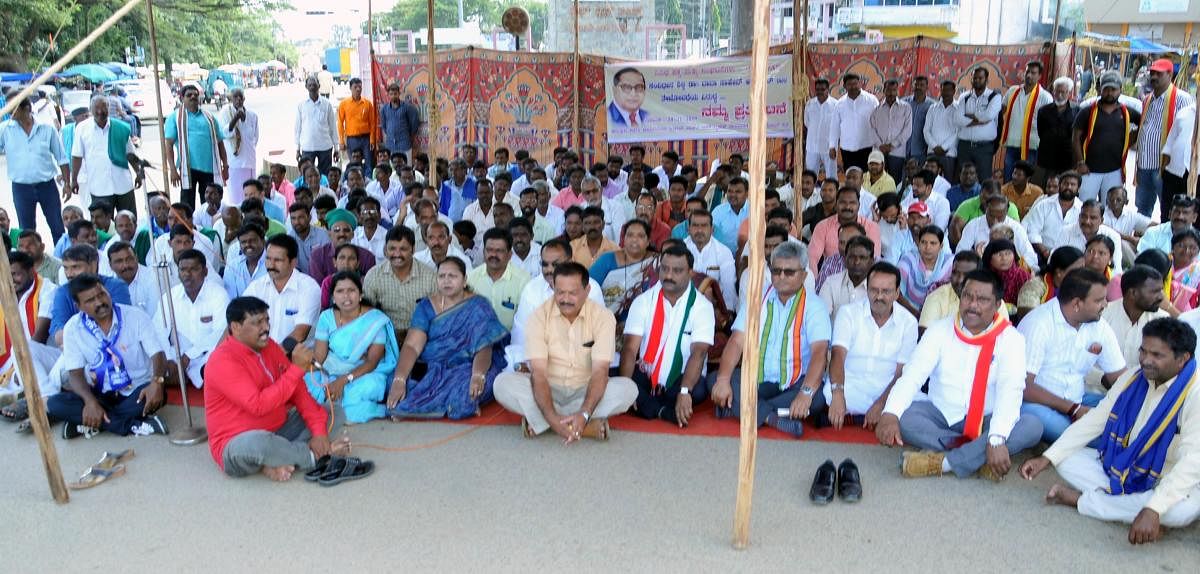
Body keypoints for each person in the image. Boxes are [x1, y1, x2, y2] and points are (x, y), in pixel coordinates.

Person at [1020, 317, 1200, 542]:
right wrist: (1047, 458)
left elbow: (1192, 462)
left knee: (1181, 511)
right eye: (1143, 351)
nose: (1145, 360)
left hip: (1170, 476)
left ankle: (1081, 501)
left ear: (1182, 359)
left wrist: (1154, 508)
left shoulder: (1195, 393)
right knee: (1067, 460)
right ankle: (1135, 510)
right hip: (1126, 466)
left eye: (1157, 355)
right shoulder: (1134, 377)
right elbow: (1095, 419)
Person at [876, 270, 1042, 479]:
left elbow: (1011, 391)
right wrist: (890, 413)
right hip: (942, 415)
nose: (972, 305)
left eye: (982, 299)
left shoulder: (1012, 339)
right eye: (967, 296)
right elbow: (913, 375)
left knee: (1031, 426)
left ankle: (944, 463)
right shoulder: (939, 330)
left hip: (988, 419)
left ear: (998, 304)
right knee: (906, 418)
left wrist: (997, 437)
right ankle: (978, 456)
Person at [204, 296, 350, 481]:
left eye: (266, 320)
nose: (265, 328)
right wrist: (297, 369)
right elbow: (258, 405)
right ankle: (314, 456)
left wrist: (319, 432)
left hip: (279, 428)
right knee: (259, 444)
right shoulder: (222, 361)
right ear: (235, 327)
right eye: (257, 323)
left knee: (334, 411)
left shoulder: (269, 346)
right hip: (237, 442)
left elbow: (298, 391)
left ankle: (275, 459)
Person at [494, 262, 637, 440]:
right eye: (560, 292)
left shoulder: (603, 317)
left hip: (585, 390)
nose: (565, 299)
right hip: (547, 388)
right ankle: (580, 427)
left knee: (628, 389)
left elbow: (600, 371)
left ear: (587, 290)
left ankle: (544, 422)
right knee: (501, 384)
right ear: (553, 288)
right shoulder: (539, 316)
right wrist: (552, 417)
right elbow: (538, 373)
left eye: (573, 293)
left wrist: (584, 412)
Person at [708, 241, 830, 437]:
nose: (781, 277)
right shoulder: (757, 298)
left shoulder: (815, 306)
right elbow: (737, 342)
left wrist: (805, 393)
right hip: (757, 380)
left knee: (817, 399)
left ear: (804, 275)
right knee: (716, 379)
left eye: (789, 272)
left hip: (795, 382)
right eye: (776, 271)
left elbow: (819, 353)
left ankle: (739, 409)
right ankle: (773, 418)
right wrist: (723, 381)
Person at [380, 257, 509, 420]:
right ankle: (424, 404)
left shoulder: (478, 306)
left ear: (464, 280)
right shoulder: (426, 306)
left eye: (452, 276)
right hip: (432, 366)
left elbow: (484, 347)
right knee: (393, 382)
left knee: (469, 393)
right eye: (442, 276)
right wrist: (399, 380)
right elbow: (412, 346)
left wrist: (478, 376)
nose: (446, 281)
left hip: (467, 367)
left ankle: (422, 407)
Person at [47, 275, 169, 439]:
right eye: (90, 300)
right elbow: (75, 374)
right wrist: (90, 402)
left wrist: (157, 381)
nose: (99, 302)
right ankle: (132, 426)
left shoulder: (135, 316)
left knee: (157, 395)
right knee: (55, 403)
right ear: (79, 307)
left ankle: (88, 424)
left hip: (136, 392)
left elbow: (158, 354)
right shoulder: (73, 328)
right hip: (100, 394)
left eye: (102, 295)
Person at [1019, 268, 1126, 443]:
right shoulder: (1038, 323)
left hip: (1078, 398)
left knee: (1124, 411)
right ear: (1077, 304)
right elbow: (1023, 386)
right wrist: (1073, 409)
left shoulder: (1099, 326)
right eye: (1099, 300)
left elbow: (1120, 377)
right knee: (1088, 436)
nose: (1106, 304)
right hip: (1037, 405)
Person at [619, 244, 715, 426]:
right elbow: (630, 349)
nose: (669, 276)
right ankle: (663, 412)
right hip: (647, 374)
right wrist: (626, 387)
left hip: (683, 378)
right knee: (618, 379)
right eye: (664, 269)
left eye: (677, 270)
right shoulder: (644, 301)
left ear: (690, 273)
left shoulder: (702, 307)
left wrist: (685, 391)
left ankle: (648, 406)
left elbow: (699, 353)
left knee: (698, 390)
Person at [821, 261, 918, 430]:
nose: (879, 296)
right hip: (851, 383)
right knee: (829, 393)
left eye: (886, 291)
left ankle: (855, 418)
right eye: (874, 290)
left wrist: (881, 403)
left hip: (888, 387)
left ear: (896, 293)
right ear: (867, 290)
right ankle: (874, 418)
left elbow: (901, 373)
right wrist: (838, 394)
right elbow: (837, 355)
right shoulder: (848, 313)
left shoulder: (908, 322)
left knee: (915, 403)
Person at [302, 271, 399, 424]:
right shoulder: (326, 317)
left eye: (351, 290)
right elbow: (320, 357)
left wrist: (342, 381)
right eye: (340, 291)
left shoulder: (375, 320)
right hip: (331, 368)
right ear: (333, 297)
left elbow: (372, 362)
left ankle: (380, 410)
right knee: (307, 385)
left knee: (358, 393)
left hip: (365, 372)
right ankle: (335, 405)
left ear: (360, 294)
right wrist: (311, 372)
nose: (346, 297)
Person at [154, 249, 228, 388]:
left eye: (194, 269)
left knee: (219, 366)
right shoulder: (170, 296)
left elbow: (220, 333)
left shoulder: (218, 294)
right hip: (176, 357)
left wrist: (189, 356)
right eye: (183, 269)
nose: (187, 275)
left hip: (206, 356)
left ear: (205, 272)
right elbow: (159, 331)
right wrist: (170, 360)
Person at [1, 95, 69, 242]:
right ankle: (29, 262)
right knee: (27, 231)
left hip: (47, 186)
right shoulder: (5, 129)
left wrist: (67, 184)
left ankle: (65, 262)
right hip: (21, 188)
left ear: (26, 109)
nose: (9, 111)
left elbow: (61, 158)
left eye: (12, 108)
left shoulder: (47, 128)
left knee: (57, 226)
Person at [1135, 59, 1195, 219]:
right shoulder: (1148, 99)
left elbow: (1187, 134)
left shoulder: (1183, 99)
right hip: (1144, 164)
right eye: (1152, 73)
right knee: (1142, 209)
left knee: (1167, 211)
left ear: (1170, 75)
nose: (1154, 76)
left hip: (1164, 167)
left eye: (1158, 74)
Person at [1072, 72, 1141, 204]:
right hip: (1089, 170)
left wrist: (1130, 140)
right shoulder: (1087, 111)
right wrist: (1080, 163)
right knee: (1084, 206)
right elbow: (1075, 137)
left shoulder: (1126, 112)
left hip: (1115, 171)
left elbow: (1143, 124)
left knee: (1110, 208)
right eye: (1106, 89)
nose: (1110, 93)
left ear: (1120, 90)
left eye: (1113, 89)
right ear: (1100, 90)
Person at [243, 235, 321, 349]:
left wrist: (271, 359)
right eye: (268, 259)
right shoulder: (256, 286)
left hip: (295, 358)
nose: (271, 265)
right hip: (261, 354)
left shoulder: (308, 287)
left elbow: (300, 333)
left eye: (277, 260)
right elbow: (238, 319)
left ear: (293, 262)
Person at [69, 95, 143, 214]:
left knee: (129, 221)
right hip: (99, 187)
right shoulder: (82, 129)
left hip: (123, 185)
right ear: (91, 109)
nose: (100, 111)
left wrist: (138, 172)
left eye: (104, 107)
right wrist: (74, 180)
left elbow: (130, 153)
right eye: (96, 108)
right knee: (103, 227)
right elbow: (76, 156)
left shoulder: (120, 127)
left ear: (108, 108)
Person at [363, 226, 436, 340]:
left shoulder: (430, 277)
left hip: (420, 337)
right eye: (392, 248)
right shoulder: (374, 276)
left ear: (413, 249)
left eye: (403, 249)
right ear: (385, 250)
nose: (397, 254)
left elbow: (437, 316)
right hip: (384, 338)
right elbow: (366, 315)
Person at [49, 245, 131, 345]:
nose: (69, 274)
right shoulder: (63, 292)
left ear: (93, 265)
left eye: (75, 267)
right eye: (66, 268)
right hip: (75, 350)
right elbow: (58, 333)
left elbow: (119, 326)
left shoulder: (116, 287)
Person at [165, 84, 228, 208]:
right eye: (189, 95)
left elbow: (220, 142)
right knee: (187, 205)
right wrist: (172, 169)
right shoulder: (175, 118)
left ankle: (210, 226)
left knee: (211, 204)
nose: (193, 97)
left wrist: (225, 165)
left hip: (209, 168)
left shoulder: (209, 117)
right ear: (182, 98)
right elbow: (168, 144)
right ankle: (189, 227)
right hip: (188, 169)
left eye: (195, 95)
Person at [1102, 264, 1169, 367]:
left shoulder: (1163, 322)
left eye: (1161, 290)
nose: (1161, 297)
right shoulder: (1103, 316)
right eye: (1155, 291)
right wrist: (1103, 378)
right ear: (1133, 293)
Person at [590, 219, 656, 322]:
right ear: (624, 239)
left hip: (642, 322)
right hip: (604, 321)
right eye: (630, 235)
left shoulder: (656, 263)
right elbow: (588, 287)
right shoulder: (607, 260)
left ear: (648, 241)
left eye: (640, 236)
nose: (634, 239)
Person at [999, 61, 1054, 180]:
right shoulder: (1012, 91)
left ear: (1039, 76)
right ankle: (1007, 199)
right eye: (1027, 72)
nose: (1029, 75)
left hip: (1031, 145)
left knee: (1026, 180)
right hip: (1012, 143)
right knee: (1009, 177)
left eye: (1033, 73)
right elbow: (1001, 111)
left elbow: (1049, 123)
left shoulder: (1045, 97)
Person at [467, 227, 530, 329]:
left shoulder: (523, 281)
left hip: (511, 340)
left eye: (499, 251)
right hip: (478, 340)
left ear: (509, 255)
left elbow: (526, 321)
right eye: (489, 250)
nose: (493, 255)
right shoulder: (471, 278)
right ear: (483, 252)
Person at [955, 67, 1003, 180]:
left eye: (980, 78)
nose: (976, 80)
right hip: (964, 146)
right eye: (974, 78)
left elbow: (988, 116)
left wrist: (969, 116)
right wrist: (980, 120)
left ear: (986, 80)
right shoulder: (964, 96)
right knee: (963, 179)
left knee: (984, 179)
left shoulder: (995, 97)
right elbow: (958, 119)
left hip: (984, 147)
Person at [684, 209, 738, 311]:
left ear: (712, 229)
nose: (699, 230)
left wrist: (727, 313)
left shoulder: (723, 252)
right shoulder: (681, 249)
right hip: (685, 307)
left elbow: (728, 286)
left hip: (714, 308)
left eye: (704, 225)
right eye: (695, 225)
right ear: (688, 229)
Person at [1024, 170, 1083, 261]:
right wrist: (1044, 251)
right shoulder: (1044, 205)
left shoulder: (1082, 209)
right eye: (1065, 183)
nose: (1068, 187)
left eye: (1072, 184)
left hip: (1071, 256)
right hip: (1042, 252)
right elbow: (1033, 231)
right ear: (1060, 185)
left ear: (1078, 188)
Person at [307, 209, 376, 283]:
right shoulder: (318, 256)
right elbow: (317, 288)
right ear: (329, 233)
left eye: (346, 230)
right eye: (337, 230)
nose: (342, 234)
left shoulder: (367, 257)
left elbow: (370, 287)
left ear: (352, 234)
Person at [828, 73, 879, 172]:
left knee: (866, 176)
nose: (853, 87)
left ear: (860, 83)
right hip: (847, 148)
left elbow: (879, 123)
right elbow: (834, 127)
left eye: (855, 83)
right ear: (845, 86)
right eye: (850, 84)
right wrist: (832, 146)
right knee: (850, 175)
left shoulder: (872, 100)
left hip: (867, 146)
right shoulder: (840, 104)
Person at [1017, 245, 1085, 318]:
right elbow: (1028, 318)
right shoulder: (1033, 287)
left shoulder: (1080, 287)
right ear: (1059, 272)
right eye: (1077, 270)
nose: (1082, 273)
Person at [897, 225, 952, 313]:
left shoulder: (950, 263)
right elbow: (897, 292)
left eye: (933, 243)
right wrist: (915, 313)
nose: (927, 247)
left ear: (941, 246)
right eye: (923, 242)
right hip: (908, 311)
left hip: (942, 313)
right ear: (918, 243)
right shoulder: (908, 260)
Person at [1037, 76, 1080, 184]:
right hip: (1047, 158)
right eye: (1057, 91)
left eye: (1063, 92)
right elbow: (1041, 132)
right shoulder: (1044, 111)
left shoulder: (1077, 111)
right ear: (1053, 91)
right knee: (1047, 186)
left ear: (1069, 93)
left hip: (1067, 159)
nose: (1060, 95)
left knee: (1065, 186)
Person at [819, 235, 874, 319]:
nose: (857, 262)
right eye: (852, 257)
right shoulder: (831, 283)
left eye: (862, 258)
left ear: (871, 261)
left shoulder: (878, 288)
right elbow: (821, 318)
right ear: (845, 259)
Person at [219, 88, 258, 205]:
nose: (238, 99)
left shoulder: (252, 115)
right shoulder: (225, 113)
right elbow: (225, 133)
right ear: (230, 99)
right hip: (235, 164)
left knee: (251, 197)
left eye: (241, 97)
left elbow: (255, 138)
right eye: (235, 97)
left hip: (250, 162)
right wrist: (235, 118)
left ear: (244, 98)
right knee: (236, 199)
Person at [870, 79, 913, 181]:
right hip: (879, 152)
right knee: (877, 180)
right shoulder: (877, 109)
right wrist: (881, 145)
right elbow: (871, 130)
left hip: (897, 152)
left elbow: (907, 130)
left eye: (894, 90)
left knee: (895, 181)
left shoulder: (906, 108)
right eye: (888, 90)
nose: (891, 93)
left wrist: (892, 145)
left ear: (897, 91)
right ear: (884, 90)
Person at [296, 76, 339, 176]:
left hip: (325, 147)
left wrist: (336, 149)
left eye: (314, 84)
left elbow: (333, 127)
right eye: (309, 85)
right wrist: (298, 149)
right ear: (306, 87)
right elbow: (298, 129)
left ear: (319, 86)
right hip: (307, 147)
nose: (312, 87)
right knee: (307, 175)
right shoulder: (301, 105)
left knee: (324, 176)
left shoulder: (327, 104)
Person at [338, 78, 377, 173]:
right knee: (353, 164)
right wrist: (341, 141)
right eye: (355, 87)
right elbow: (340, 123)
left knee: (368, 163)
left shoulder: (367, 104)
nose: (358, 89)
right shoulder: (344, 104)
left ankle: (368, 184)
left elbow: (372, 123)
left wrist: (372, 140)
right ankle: (355, 184)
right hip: (352, 139)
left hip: (366, 139)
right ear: (350, 88)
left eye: (360, 87)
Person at [804, 78, 838, 178]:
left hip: (829, 148)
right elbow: (807, 123)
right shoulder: (810, 104)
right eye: (817, 89)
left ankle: (832, 193)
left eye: (822, 89)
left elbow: (837, 128)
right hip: (812, 147)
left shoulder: (836, 105)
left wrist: (833, 146)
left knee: (831, 176)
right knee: (810, 175)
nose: (819, 92)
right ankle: (812, 194)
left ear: (828, 89)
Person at [1168, 229, 1200, 311]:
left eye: (1192, 247)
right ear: (1172, 247)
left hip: (1185, 317)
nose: (1186, 251)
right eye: (1181, 245)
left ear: (1198, 251)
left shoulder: (1198, 271)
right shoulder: (1163, 261)